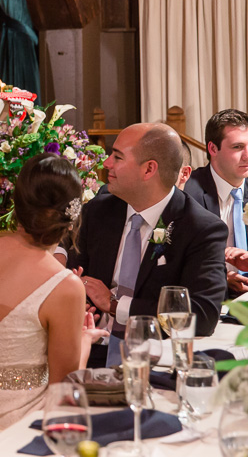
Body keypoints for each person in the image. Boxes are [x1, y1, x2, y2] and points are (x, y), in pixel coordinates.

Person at [0, 153, 108, 428]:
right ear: (72, 216)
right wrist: (84, 342)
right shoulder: (65, 285)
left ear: (17, 204)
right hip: (20, 426)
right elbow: (63, 393)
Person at [68, 123, 228, 366]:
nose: (106, 163)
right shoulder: (98, 211)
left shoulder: (200, 228)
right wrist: (80, 302)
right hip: (90, 350)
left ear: (149, 169)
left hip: (155, 359)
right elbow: (75, 275)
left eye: (117, 157)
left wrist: (115, 305)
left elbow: (202, 316)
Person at [183, 109, 248, 293]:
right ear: (212, 149)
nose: (247, 155)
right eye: (237, 147)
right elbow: (177, 260)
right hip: (209, 296)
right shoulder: (188, 194)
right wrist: (219, 276)